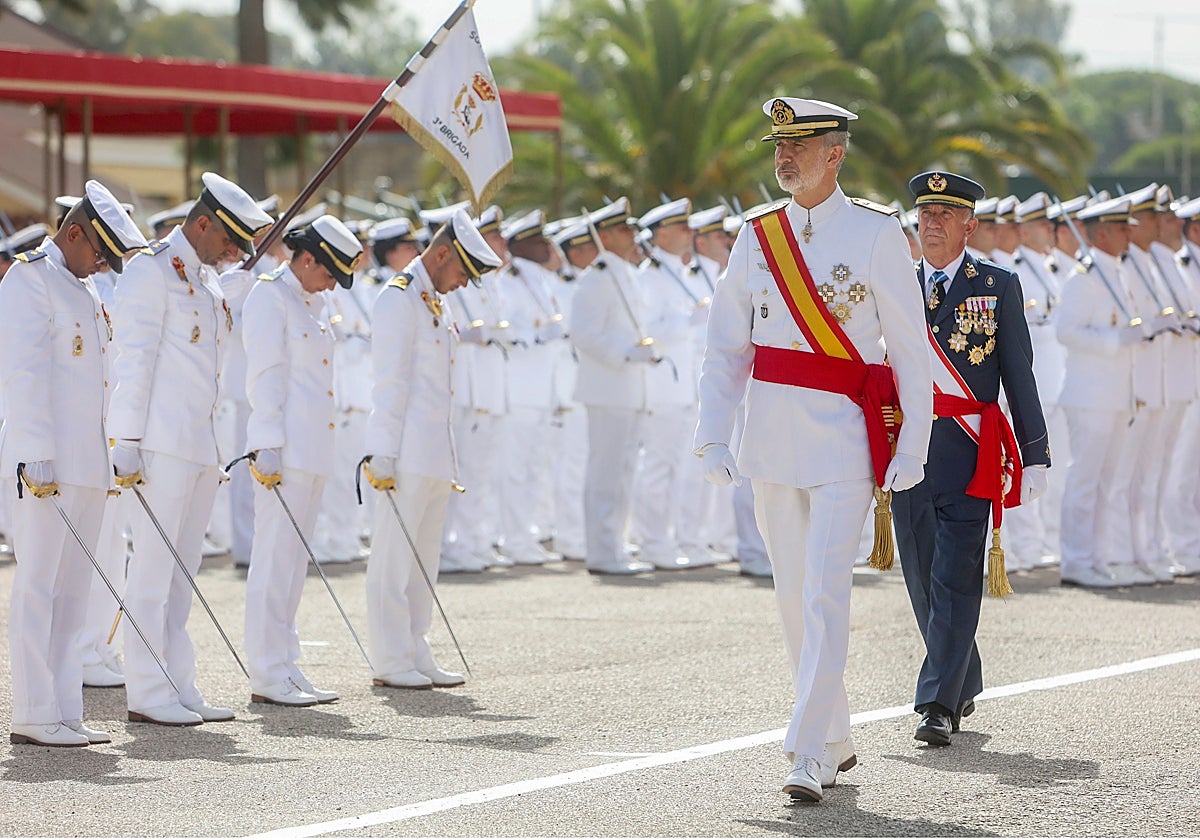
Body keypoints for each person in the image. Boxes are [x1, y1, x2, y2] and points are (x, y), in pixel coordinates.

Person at [695, 98, 933, 801]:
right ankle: (833, 737)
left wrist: (912, 441)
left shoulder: (876, 234)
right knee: (794, 601)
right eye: (778, 145)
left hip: (841, 443)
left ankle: (804, 750)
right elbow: (725, 345)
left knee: (827, 593)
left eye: (800, 146)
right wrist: (713, 430)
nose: (783, 157)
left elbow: (909, 351)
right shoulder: (755, 236)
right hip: (770, 439)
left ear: (836, 155)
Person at [108, 171, 273, 726]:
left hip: (199, 446)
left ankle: (178, 684)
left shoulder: (204, 278)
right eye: (229, 240)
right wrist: (126, 441)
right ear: (201, 223)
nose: (234, 252)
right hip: (157, 447)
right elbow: (133, 360)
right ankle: (148, 692)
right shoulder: (149, 271)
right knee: (151, 575)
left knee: (181, 577)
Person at [893, 172, 1050, 748]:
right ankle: (963, 673)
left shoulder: (997, 285)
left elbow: (1018, 373)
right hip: (908, 451)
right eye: (924, 213)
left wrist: (1035, 456)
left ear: (969, 224)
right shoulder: (895, 284)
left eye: (944, 214)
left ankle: (936, 702)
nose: (931, 222)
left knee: (956, 577)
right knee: (920, 576)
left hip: (969, 450)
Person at [1, 180, 147, 746]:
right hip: (45, 467)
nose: (104, 261)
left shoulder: (83, 288)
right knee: (38, 587)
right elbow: (23, 375)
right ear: (76, 230)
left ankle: (64, 708)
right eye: (100, 248)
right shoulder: (29, 279)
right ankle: (34, 712)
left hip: (86, 466)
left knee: (74, 592)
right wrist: (37, 456)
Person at [361, 208, 502, 689]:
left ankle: (415, 647)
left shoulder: (433, 299)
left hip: (434, 451)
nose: (463, 284)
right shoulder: (399, 299)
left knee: (423, 560)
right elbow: (390, 384)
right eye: (462, 271)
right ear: (442, 254)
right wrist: (383, 453)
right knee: (393, 559)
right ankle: (390, 658)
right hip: (403, 452)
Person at [240, 215, 363, 706]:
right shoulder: (271, 296)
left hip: (311, 448)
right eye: (329, 269)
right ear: (307, 258)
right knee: (273, 561)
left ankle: (287, 664)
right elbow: (265, 375)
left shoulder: (312, 300)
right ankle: (267, 671)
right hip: (283, 450)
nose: (334, 281)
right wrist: (266, 443)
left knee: (293, 565)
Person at [1056, 196, 1144, 588]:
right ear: (1103, 233)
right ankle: (1076, 561)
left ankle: (1098, 557)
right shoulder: (1084, 278)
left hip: (1113, 395)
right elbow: (1065, 331)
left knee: (1109, 481)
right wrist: (1116, 339)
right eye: (1123, 228)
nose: (1129, 235)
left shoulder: (1116, 273)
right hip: (1090, 396)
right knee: (1087, 480)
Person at [570, 197, 661, 576]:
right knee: (606, 472)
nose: (632, 235)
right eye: (623, 228)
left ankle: (615, 545)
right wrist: (627, 353)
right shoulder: (597, 277)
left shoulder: (624, 273)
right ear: (604, 235)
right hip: (608, 388)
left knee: (624, 471)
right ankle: (602, 551)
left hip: (630, 390)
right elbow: (584, 335)